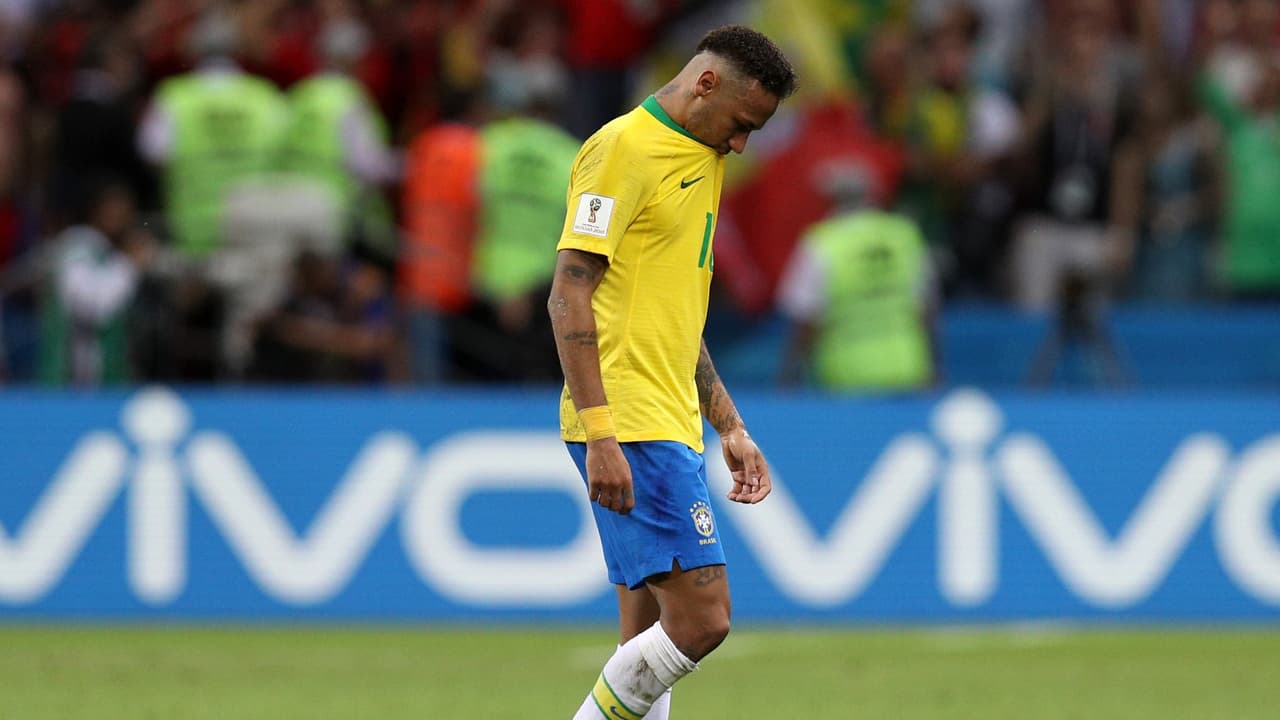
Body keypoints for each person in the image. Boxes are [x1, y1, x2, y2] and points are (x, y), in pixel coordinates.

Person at [547, 25, 796, 720]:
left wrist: (730, 426)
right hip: (629, 419)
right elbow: (568, 292)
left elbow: (676, 317)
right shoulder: (622, 149)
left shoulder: (702, 155)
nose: (741, 144)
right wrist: (601, 433)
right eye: (742, 124)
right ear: (705, 84)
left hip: (668, 417)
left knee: (645, 638)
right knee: (703, 621)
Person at [776, 164, 939, 392]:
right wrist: (934, 366)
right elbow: (926, 307)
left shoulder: (821, 242)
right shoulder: (904, 234)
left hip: (847, 375)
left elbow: (806, 316)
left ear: (829, 200)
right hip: (908, 367)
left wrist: (790, 371)